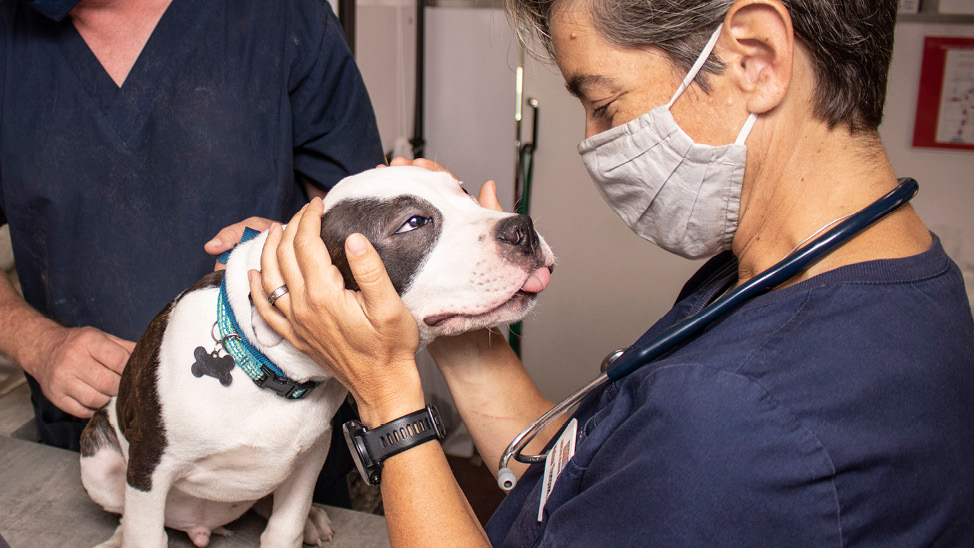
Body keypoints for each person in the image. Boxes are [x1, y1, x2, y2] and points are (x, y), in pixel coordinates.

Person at [250, 0, 974, 545]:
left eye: (603, 103)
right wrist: (457, 292)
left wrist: (387, 400)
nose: (594, 142)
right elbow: (568, 474)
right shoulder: (879, 283)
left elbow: (707, 442)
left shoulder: (742, 418)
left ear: (755, 59)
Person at [0, 0, 383, 504]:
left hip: (285, 458)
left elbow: (370, 231)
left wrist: (296, 247)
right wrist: (34, 341)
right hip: (107, 460)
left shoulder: (284, 16)